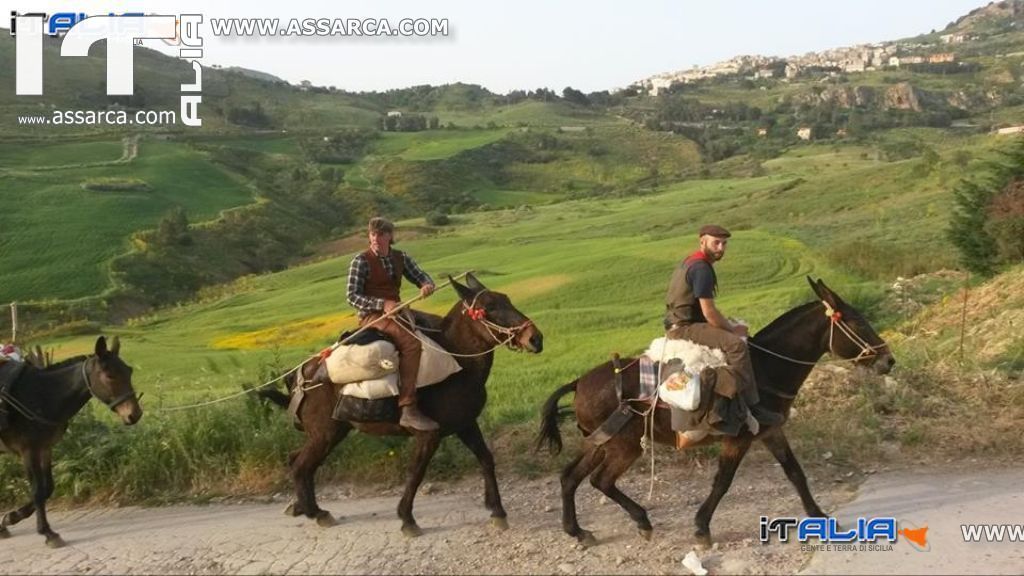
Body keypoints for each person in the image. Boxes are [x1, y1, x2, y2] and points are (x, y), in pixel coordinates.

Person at [664, 224, 784, 429]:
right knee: (737, 345)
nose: (720, 248)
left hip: (681, 320)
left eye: (724, 243)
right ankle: (752, 406)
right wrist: (732, 330)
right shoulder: (702, 269)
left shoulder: (690, 261)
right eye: (716, 242)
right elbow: (709, 312)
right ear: (702, 242)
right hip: (685, 326)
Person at [346, 217, 439, 431]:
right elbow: (351, 296)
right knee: (411, 343)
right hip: (372, 317)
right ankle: (408, 407)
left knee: (434, 326)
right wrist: (382, 303)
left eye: (379, 234)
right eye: (372, 234)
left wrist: (426, 284)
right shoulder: (360, 261)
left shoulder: (400, 257)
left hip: (396, 311)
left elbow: (420, 275)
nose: (375, 238)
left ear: (390, 236)